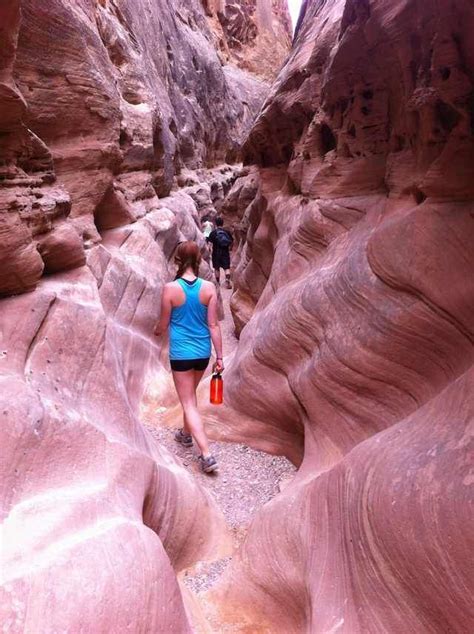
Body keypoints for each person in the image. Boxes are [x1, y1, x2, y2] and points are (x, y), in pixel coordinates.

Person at [154, 241, 224, 473]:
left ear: (177, 259)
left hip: (181, 354)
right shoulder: (208, 288)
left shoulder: (170, 289)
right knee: (190, 397)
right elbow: (213, 325)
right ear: (199, 259)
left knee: (188, 402)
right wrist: (220, 357)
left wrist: (155, 330)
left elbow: (163, 325)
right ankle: (185, 434)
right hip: (203, 352)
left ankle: (206, 454)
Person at [206, 216, 233, 288]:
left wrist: (209, 251)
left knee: (216, 268)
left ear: (215, 224)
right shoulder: (227, 232)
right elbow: (231, 242)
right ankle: (227, 280)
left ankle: (218, 283)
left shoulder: (213, 233)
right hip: (225, 252)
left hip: (216, 253)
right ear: (222, 223)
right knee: (226, 268)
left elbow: (209, 244)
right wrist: (229, 249)